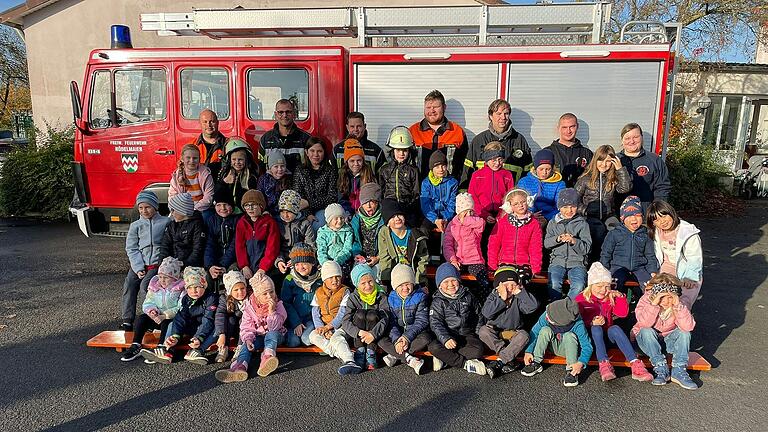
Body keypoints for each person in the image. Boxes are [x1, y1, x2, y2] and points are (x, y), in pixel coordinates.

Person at [575, 262, 653, 382]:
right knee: (596, 328)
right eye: (599, 286)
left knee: (615, 328)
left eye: (607, 286)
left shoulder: (609, 297)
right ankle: (604, 364)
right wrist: (590, 322)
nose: (603, 290)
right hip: (590, 339)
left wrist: (620, 297)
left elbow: (622, 314)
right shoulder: (581, 299)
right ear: (591, 285)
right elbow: (575, 321)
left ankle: (635, 363)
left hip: (607, 337)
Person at [215, 272, 288, 382]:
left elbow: (274, 327)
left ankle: (267, 359)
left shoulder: (278, 304)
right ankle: (239, 367)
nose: (269, 296)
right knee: (246, 346)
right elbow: (246, 326)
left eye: (271, 292)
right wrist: (248, 339)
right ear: (257, 295)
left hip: (277, 336)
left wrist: (271, 312)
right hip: (259, 336)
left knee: (271, 334)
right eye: (265, 294)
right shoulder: (249, 306)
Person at [632, 273, 698, 390]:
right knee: (647, 330)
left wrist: (677, 305)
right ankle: (660, 367)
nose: (665, 301)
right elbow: (644, 323)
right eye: (661, 296)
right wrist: (654, 304)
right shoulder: (646, 300)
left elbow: (688, 327)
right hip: (645, 344)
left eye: (669, 297)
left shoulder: (680, 302)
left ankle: (679, 370)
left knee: (684, 332)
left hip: (666, 343)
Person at [140, 267, 217, 365]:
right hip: (192, 327)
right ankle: (167, 350)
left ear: (204, 286)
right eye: (190, 287)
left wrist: (199, 337)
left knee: (217, 328)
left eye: (197, 287)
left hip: (204, 328)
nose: (194, 291)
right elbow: (180, 317)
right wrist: (175, 336)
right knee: (172, 324)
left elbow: (208, 320)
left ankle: (198, 351)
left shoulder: (211, 298)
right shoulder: (186, 298)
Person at [121, 190, 170, 331]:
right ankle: (127, 319)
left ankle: (149, 318)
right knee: (129, 284)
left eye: (148, 207)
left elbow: (167, 243)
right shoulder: (135, 226)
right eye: (141, 208)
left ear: (155, 206)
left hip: (155, 264)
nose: (144, 211)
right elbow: (131, 248)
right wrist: (138, 267)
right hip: (139, 264)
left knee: (145, 288)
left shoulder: (166, 222)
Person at [574, 144, 632, 261]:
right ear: (595, 160)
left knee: (617, 233)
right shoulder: (585, 178)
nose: (604, 164)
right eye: (600, 160)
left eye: (608, 161)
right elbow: (574, 200)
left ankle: (613, 262)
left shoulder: (613, 178)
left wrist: (620, 169)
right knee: (597, 233)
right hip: (589, 216)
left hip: (608, 216)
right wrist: (585, 210)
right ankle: (591, 262)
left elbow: (625, 188)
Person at [478, 266, 539, 378]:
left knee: (524, 336)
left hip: (513, 331)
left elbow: (532, 306)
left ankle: (501, 360)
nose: (510, 288)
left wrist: (520, 292)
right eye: (506, 285)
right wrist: (502, 299)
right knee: (483, 331)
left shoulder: (518, 298)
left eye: (513, 284)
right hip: (495, 331)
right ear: (498, 286)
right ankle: (507, 356)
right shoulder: (494, 296)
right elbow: (486, 313)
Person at [120, 257, 184, 362]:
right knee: (142, 318)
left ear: (174, 278)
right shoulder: (155, 286)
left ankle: (161, 347)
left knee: (166, 322)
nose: (162, 280)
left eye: (166, 277)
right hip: (156, 318)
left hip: (171, 319)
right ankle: (136, 344)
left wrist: (165, 315)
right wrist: (152, 311)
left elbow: (181, 307)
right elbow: (148, 302)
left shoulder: (180, 288)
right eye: (160, 277)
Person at [427, 263, 487, 375]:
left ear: (459, 281)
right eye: (445, 282)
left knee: (478, 350)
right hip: (448, 336)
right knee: (433, 347)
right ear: (439, 285)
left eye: (453, 280)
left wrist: (478, 333)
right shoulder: (437, 301)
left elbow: (478, 314)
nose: (450, 284)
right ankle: (465, 364)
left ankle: (446, 358)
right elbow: (435, 323)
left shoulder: (468, 296)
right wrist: (445, 339)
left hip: (466, 335)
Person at [521, 297, 593, 387]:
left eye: (549, 318)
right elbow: (535, 332)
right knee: (544, 330)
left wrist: (581, 362)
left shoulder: (578, 324)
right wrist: (528, 351)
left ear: (560, 322)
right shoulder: (548, 314)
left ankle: (572, 371)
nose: (546, 317)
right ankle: (536, 362)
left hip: (569, 349)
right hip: (552, 345)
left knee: (569, 335)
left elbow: (587, 346)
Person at [461, 98, 532, 186]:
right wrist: (463, 195)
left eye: (506, 113)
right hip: (484, 196)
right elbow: (467, 170)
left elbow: (528, 173)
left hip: (511, 196)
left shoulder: (519, 140)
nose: (503, 117)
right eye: (498, 114)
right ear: (490, 116)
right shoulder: (479, 140)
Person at [646, 200, 703, 309]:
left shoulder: (687, 232)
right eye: (657, 220)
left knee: (683, 300)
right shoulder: (656, 232)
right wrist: (653, 270)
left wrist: (689, 277)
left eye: (664, 216)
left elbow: (694, 257)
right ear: (653, 223)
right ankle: (657, 321)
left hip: (688, 268)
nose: (662, 222)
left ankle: (682, 322)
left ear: (671, 213)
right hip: (667, 266)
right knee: (659, 293)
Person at [600, 196, 659, 299]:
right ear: (622, 219)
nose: (634, 219)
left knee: (650, 287)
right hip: (618, 266)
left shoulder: (645, 234)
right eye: (629, 216)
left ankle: (647, 309)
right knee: (614, 286)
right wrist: (603, 270)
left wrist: (653, 272)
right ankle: (615, 309)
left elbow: (650, 255)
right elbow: (606, 253)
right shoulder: (614, 234)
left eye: (637, 215)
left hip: (639, 267)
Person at [308, 261, 361, 375]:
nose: (335, 280)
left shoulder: (345, 291)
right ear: (324, 280)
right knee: (312, 336)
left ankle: (349, 360)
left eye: (337, 277)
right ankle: (339, 354)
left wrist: (329, 327)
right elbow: (315, 312)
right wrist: (321, 328)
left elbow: (343, 313)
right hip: (325, 326)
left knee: (336, 338)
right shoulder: (318, 292)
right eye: (330, 277)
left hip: (342, 325)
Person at [379, 264, 432, 375]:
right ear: (395, 286)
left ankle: (395, 354)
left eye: (408, 284)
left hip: (414, 333)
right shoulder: (391, 298)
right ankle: (409, 359)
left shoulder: (420, 296)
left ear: (413, 283)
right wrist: (398, 339)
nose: (405, 288)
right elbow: (391, 322)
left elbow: (422, 320)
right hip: (398, 334)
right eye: (401, 285)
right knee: (381, 341)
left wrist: (406, 337)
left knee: (426, 338)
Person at [544, 188, 592, 301]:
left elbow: (587, 248)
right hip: (557, 262)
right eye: (565, 207)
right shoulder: (553, 223)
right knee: (554, 284)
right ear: (559, 208)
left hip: (577, 263)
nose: (569, 210)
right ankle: (555, 308)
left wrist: (574, 241)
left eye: (573, 206)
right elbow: (546, 243)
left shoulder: (582, 224)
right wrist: (558, 239)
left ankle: (568, 309)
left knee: (579, 286)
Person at [409, 90, 468, 179]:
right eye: (428, 107)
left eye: (436, 107)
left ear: (444, 107)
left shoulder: (457, 132)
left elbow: (465, 165)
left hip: (448, 188)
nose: (432, 111)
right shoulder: (412, 131)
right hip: (419, 188)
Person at [342, 263, 390, 371]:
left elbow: (385, 318)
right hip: (360, 333)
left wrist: (373, 334)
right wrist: (358, 332)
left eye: (370, 281)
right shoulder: (353, 297)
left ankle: (371, 352)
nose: (368, 286)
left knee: (372, 314)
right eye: (363, 283)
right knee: (360, 314)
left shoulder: (381, 295)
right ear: (356, 284)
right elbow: (345, 321)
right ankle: (360, 351)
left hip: (374, 333)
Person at [443, 193, 489, 299]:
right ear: (459, 212)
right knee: (452, 278)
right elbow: (447, 244)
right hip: (458, 260)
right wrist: (453, 260)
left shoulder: (476, 222)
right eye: (465, 212)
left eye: (471, 211)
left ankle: (481, 303)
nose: (468, 214)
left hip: (475, 260)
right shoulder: (452, 225)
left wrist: (468, 219)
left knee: (483, 281)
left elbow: (481, 224)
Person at [487, 189, 543, 274]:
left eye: (523, 202)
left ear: (528, 202)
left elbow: (535, 247)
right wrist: (492, 265)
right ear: (510, 206)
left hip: (524, 264)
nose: (520, 205)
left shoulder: (534, 223)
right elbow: (494, 244)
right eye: (516, 204)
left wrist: (536, 268)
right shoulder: (502, 222)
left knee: (521, 281)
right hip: (504, 263)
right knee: (506, 280)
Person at [618, 123, 671, 209]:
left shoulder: (654, 160)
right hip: (619, 214)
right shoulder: (615, 160)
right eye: (627, 138)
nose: (632, 141)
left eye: (635, 137)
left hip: (646, 213)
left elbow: (662, 188)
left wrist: (657, 210)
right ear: (622, 141)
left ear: (642, 138)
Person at [377, 199, 429, 289]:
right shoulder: (384, 233)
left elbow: (423, 260)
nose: (397, 218)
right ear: (387, 223)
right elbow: (385, 258)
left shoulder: (416, 235)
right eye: (392, 217)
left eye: (399, 215)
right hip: (396, 271)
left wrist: (419, 281)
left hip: (413, 271)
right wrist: (385, 282)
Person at [292, 137, 339, 231]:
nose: (315, 154)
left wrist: (309, 203)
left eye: (319, 151)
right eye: (312, 151)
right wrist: (308, 213)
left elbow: (332, 197)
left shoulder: (330, 170)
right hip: (303, 210)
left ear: (324, 152)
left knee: (318, 224)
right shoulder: (300, 170)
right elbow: (298, 195)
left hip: (324, 209)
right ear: (306, 152)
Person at [281, 243, 322, 347]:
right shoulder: (290, 279)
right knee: (293, 342)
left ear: (312, 263)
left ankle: (319, 339)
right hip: (295, 318)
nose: (300, 267)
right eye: (297, 264)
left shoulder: (320, 279)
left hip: (312, 319)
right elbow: (286, 303)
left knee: (306, 339)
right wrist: (296, 322)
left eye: (304, 263)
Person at [378, 126, 421, 226]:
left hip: (407, 209)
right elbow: (381, 191)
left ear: (409, 151)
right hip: (389, 210)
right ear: (392, 150)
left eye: (405, 150)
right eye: (398, 150)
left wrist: (411, 208)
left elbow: (416, 193)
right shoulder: (384, 170)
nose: (401, 154)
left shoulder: (413, 170)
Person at [235, 190, 280, 280]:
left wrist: (263, 268)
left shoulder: (270, 222)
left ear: (261, 206)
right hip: (248, 268)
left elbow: (272, 247)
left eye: (254, 205)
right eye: (247, 205)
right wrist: (244, 266)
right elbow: (239, 246)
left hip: (266, 268)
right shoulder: (241, 223)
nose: (250, 208)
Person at [468, 141, 515, 228]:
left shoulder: (507, 175)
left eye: (500, 159)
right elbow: (472, 197)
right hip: (481, 215)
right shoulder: (477, 175)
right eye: (493, 160)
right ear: (487, 159)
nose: (497, 163)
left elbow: (510, 197)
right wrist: (484, 214)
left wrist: (502, 214)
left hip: (501, 216)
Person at [258, 99, 311, 174]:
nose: (285, 115)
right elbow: (262, 169)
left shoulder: (306, 139)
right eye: (280, 112)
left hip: (297, 184)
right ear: (276, 115)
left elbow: (312, 167)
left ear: (294, 114)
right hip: (273, 185)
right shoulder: (265, 139)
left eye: (288, 112)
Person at [543, 113, 593, 188]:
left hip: (579, 198)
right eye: (564, 127)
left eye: (572, 127)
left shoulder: (587, 154)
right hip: (554, 198)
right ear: (558, 128)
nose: (568, 131)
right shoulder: (547, 152)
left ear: (577, 127)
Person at [156, 192, 206, 268]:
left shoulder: (197, 225)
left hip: (190, 267)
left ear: (183, 211)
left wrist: (183, 264)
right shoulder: (172, 225)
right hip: (172, 265)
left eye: (173, 210)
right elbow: (165, 246)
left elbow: (198, 250)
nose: (171, 214)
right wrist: (162, 264)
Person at [203, 187, 239, 292]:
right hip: (215, 259)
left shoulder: (238, 220)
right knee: (207, 277)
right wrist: (210, 265)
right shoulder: (211, 220)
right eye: (218, 205)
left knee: (232, 274)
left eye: (226, 204)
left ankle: (229, 300)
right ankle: (211, 302)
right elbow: (209, 244)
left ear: (232, 205)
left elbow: (234, 245)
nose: (222, 208)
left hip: (232, 260)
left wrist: (223, 265)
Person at [274, 189, 316, 275]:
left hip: (301, 259)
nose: (285, 215)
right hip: (283, 258)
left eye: (289, 212)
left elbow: (311, 245)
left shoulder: (304, 224)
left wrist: (297, 259)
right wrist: (279, 260)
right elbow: (274, 246)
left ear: (296, 211)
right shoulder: (276, 223)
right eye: (282, 212)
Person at [212, 270, 251, 364]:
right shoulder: (224, 299)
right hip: (232, 328)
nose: (240, 292)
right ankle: (223, 347)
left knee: (244, 319)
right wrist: (221, 334)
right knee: (230, 319)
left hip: (246, 329)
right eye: (236, 290)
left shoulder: (250, 297)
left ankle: (240, 348)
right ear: (230, 291)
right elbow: (220, 315)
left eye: (242, 288)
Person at [517, 148, 566, 222]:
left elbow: (560, 206)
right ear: (535, 168)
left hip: (551, 218)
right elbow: (518, 203)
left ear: (552, 168)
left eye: (548, 169)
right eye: (541, 169)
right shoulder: (524, 182)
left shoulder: (559, 184)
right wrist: (530, 215)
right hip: (527, 217)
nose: (544, 172)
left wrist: (547, 218)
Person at [216, 137, 259, 214]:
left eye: (240, 159)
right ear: (229, 160)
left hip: (243, 212)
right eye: (234, 159)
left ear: (246, 160)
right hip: (226, 212)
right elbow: (217, 195)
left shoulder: (251, 176)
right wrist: (224, 182)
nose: (237, 162)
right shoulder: (224, 173)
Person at [168, 144, 215, 213]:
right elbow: (172, 195)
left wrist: (194, 209)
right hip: (183, 209)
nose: (192, 161)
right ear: (182, 159)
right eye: (188, 158)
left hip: (201, 209)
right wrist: (180, 208)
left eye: (195, 158)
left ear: (199, 159)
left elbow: (208, 197)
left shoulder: (206, 175)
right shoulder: (176, 176)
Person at [350, 183, 385, 274]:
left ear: (377, 202)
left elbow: (387, 244)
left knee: (378, 274)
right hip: (362, 256)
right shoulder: (356, 219)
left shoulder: (384, 218)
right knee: (359, 273)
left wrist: (378, 258)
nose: (368, 206)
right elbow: (355, 241)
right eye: (365, 202)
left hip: (379, 257)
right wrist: (357, 254)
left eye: (372, 202)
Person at [420, 151, 458, 232]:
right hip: (431, 217)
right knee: (423, 229)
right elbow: (425, 204)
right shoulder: (426, 183)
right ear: (432, 168)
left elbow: (452, 203)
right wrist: (435, 220)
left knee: (453, 229)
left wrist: (445, 218)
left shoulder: (453, 182)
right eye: (437, 167)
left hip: (448, 216)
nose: (441, 169)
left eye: (443, 166)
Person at [338, 138, 377, 215]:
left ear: (363, 161)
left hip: (364, 213)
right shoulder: (343, 175)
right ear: (347, 162)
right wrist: (347, 211)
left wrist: (363, 211)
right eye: (352, 161)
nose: (356, 164)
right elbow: (342, 199)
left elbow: (373, 198)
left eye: (359, 160)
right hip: (348, 212)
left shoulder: (368, 174)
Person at [316, 203, 354, 271]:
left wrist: (337, 261)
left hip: (343, 261)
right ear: (329, 220)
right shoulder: (322, 233)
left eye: (341, 218)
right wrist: (325, 263)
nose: (339, 221)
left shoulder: (348, 231)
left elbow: (347, 248)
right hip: (327, 262)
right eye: (336, 218)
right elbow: (321, 250)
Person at [256, 150, 292, 216]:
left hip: (286, 213)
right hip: (268, 212)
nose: (280, 169)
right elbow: (259, 196)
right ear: (270, 168)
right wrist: (265, 210)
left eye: (282, 166)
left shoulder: (289, 179)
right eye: (276, 166)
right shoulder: (264, 179)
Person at [195, 109, 227, 180]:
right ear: (200, 124)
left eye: (212, 122)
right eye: (205, 122)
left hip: (222, 188)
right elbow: (182, 167)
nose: (208, 125)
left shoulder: (228, 145)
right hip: (199, 188)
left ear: (218, 123)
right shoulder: (192, 146)